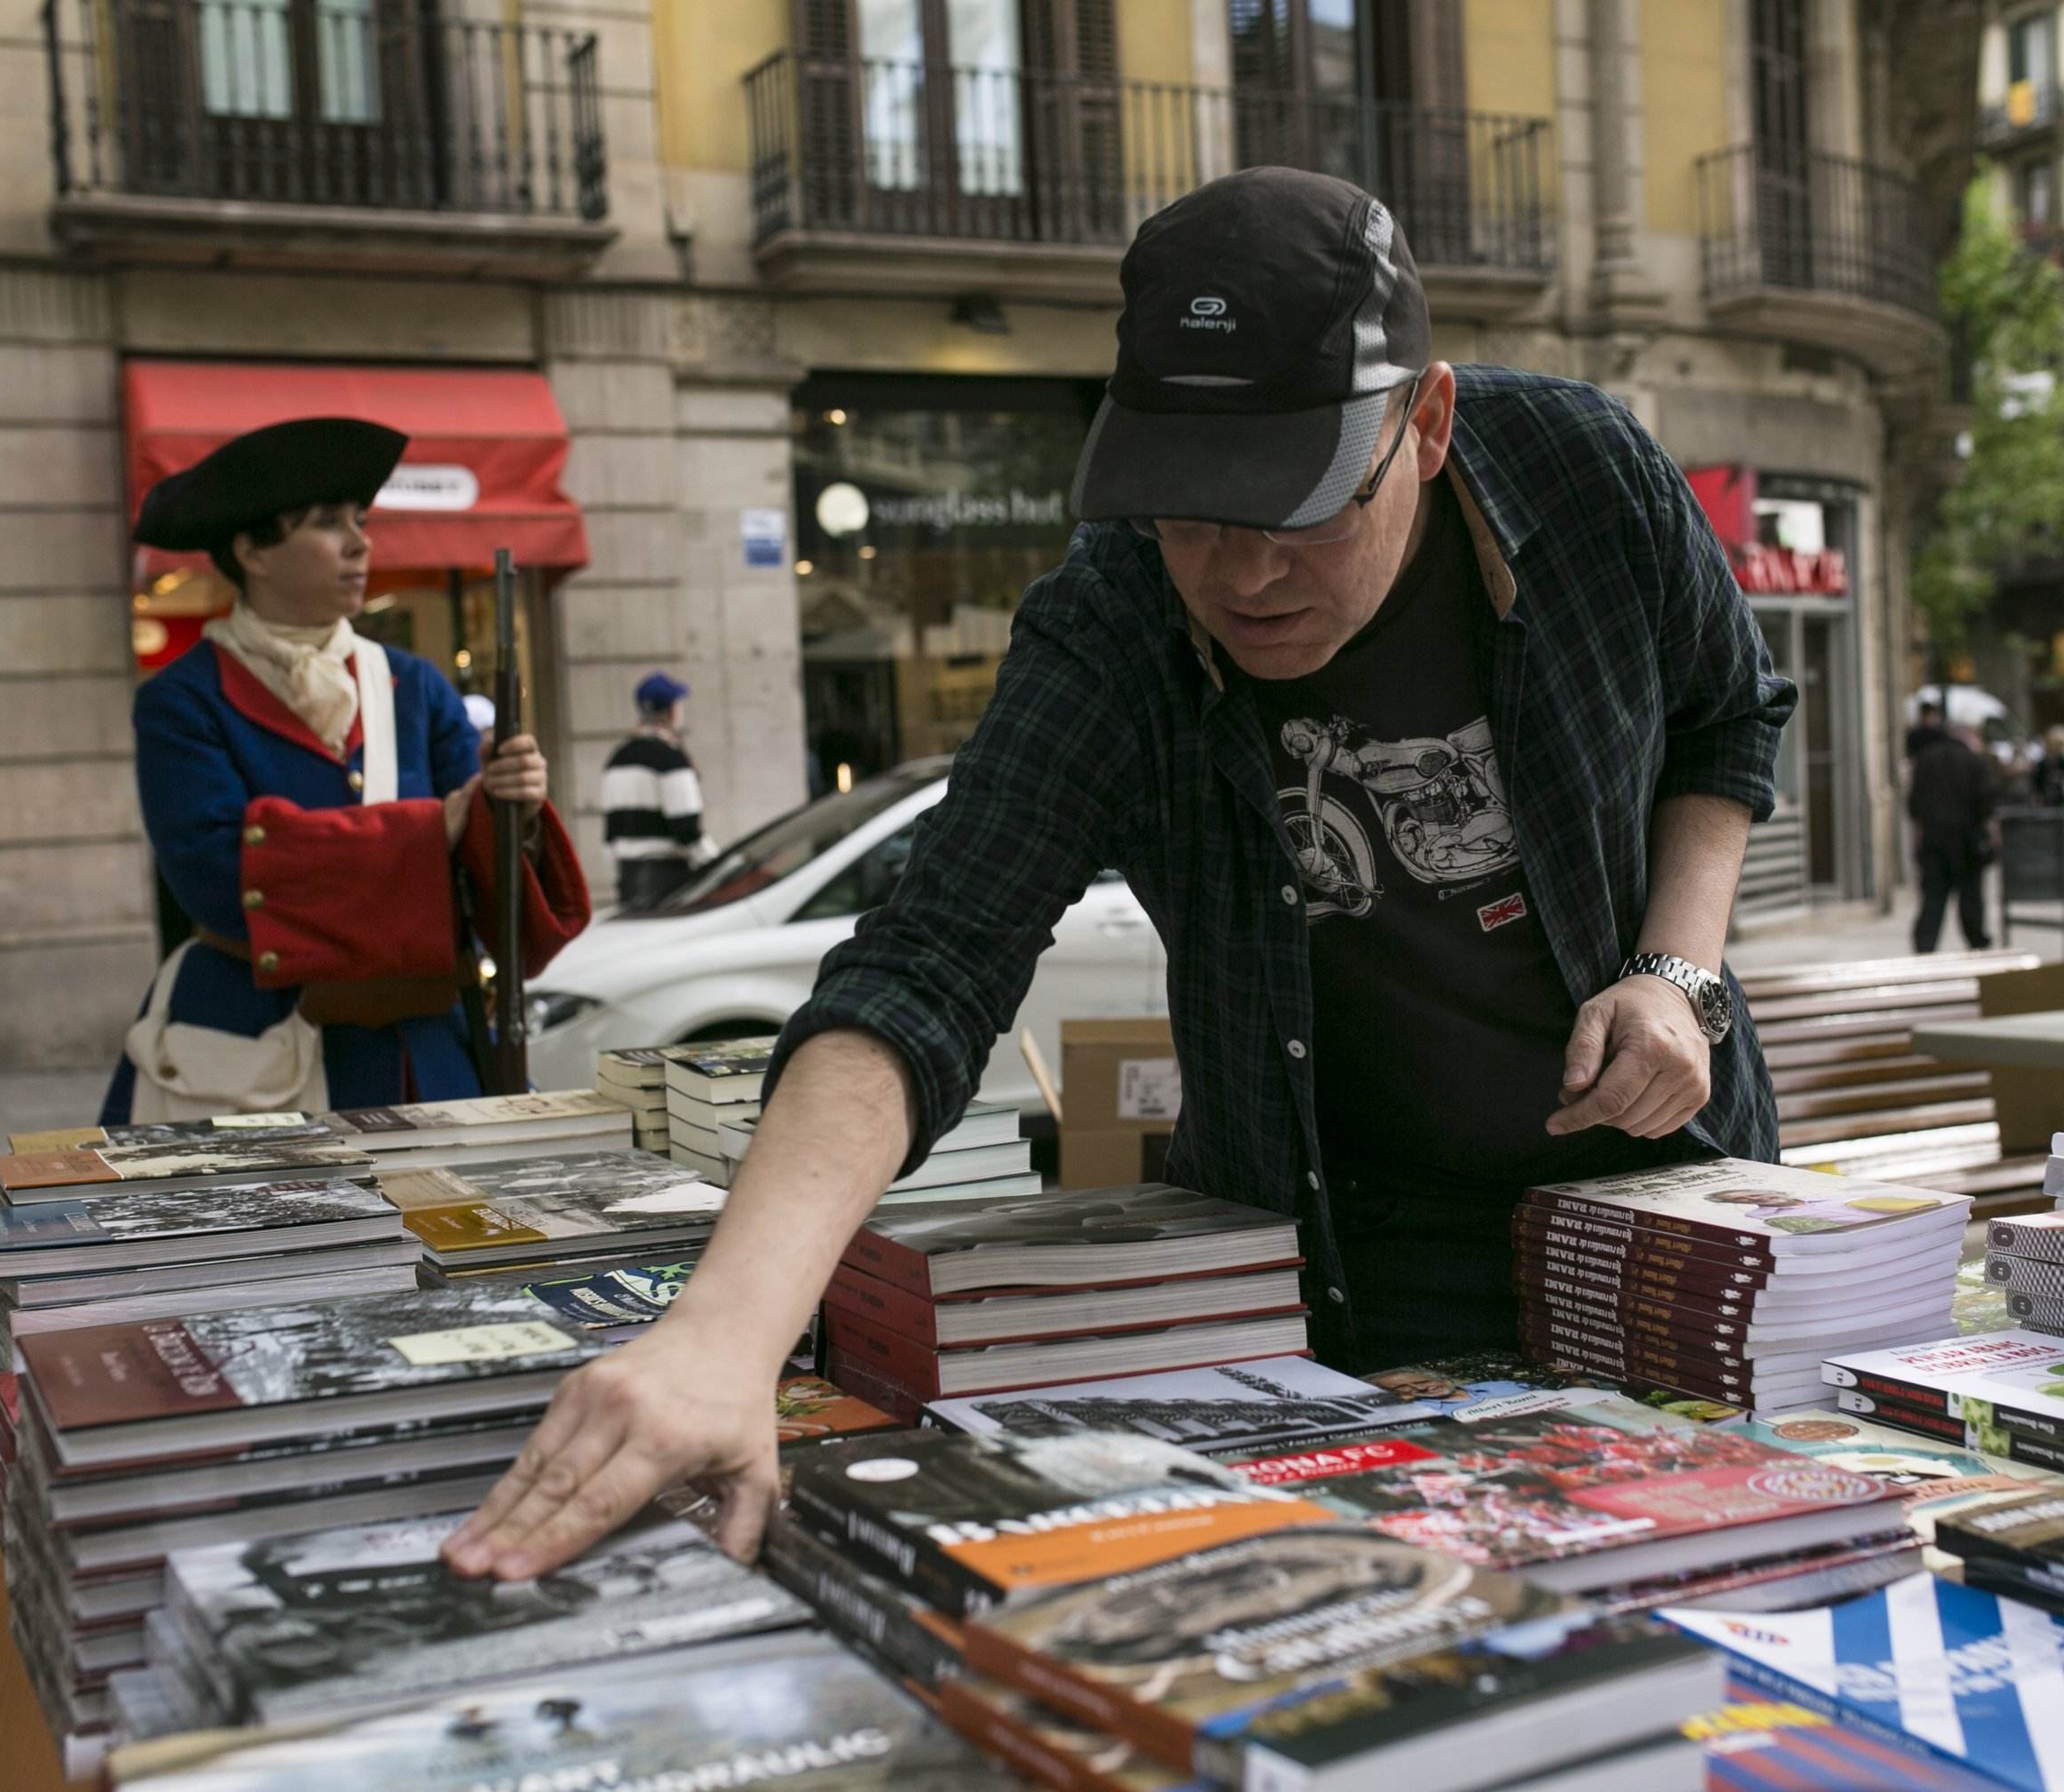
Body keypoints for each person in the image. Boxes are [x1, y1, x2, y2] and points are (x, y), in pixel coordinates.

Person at [444, 167, 1795, 1577]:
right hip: (1353, 1255)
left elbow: (1727, 712)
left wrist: (1673, 971)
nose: (1245, 575)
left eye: (1301, 511)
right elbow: (929, 963)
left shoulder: (1583, 471)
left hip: (1670, 1206)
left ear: (1429, 422)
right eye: (1192, 513)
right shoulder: (1111, 623)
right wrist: (723, 1339)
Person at [99, 418, 589, 1122]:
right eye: (329, 523)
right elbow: (219, 880)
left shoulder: (414, 686)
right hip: (253, 1052)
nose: (361, 543)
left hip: (421, 1053)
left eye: (360, 519)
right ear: (252, 552)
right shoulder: (181, 702)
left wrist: (510, 810)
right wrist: (436, 827)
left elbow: (487, 893)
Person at [601, 672, 718, 910]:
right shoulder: (670, 758)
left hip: (627, 877)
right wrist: (717, 866)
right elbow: (687, 828)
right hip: (668, 879)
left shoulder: (617, 758)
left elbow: (611, 832)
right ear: (672, 710)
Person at [1908, 720, 2001, 954]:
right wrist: (1994, 839)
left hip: (1934, 839)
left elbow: (1914, 804)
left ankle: (1925, 946)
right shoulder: (1975, 761)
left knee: (1933, 899)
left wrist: (1917, 839)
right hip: (1967, 841)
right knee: (1970, 898)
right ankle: (1977, 942)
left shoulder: (1925, 758)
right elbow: (1986, 805)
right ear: (1968, 736)